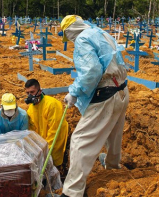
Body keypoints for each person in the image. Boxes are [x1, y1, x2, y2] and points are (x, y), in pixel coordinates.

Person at [58, 15, 129, 197]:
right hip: (121, 89)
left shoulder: (82, 39)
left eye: (69, 36)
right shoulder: (99, 33)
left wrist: (74, 92)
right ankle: (113, 168)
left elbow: (91, 71)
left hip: (106, 93)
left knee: (80, 140)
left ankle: (72, 192)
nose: (71, 40)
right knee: (114, 133)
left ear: (70, 31)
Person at [24, 79, 68, 167]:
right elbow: (32, 131)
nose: (30, 95)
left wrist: (46, 150)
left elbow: (54, 131)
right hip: (42, 147)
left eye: (32, 92)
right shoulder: (31, 110)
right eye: (27, 93)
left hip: (54, 144)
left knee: (54, 166)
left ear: (40, 91)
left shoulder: (52, 105)